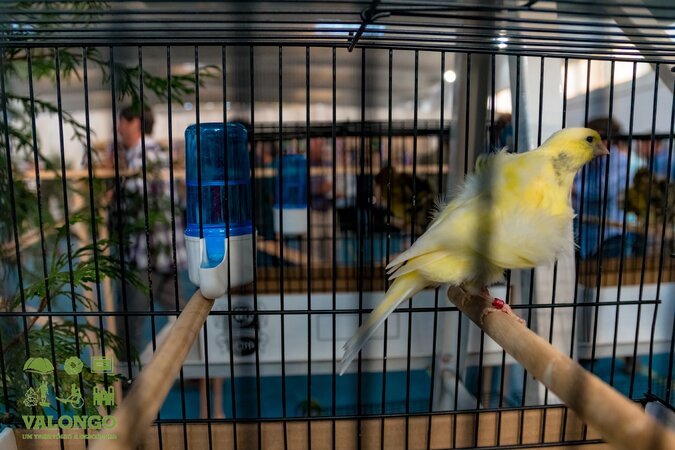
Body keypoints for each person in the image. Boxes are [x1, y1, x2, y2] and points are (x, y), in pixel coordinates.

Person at [108, 104, 189, 370]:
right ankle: (199, 367)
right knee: (185, 316)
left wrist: (110, 201)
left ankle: (125, 384)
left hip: (145, 256)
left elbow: (134, 206)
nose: (118, 128)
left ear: (134, 123)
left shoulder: (139, 159)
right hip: (167, 252)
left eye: (121, 122)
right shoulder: (161, 154)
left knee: (127, 327)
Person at [572, 118, 643, 259]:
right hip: (587, 234)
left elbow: (602, 191)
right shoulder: (590, 161)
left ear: (606, 139)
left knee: (608, 272)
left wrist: (572, 188)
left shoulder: (621, 162)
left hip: (612, 236)